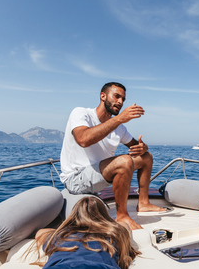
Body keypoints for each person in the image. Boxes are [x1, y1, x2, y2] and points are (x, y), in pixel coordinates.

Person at [60, 82, 167, 230]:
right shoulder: (81, 113)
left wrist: (143, 147)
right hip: (76, 178)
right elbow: (83, 139)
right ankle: (122, 216)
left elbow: (137, 147)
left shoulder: (119, 128)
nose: (120, 102)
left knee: (146, 157)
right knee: (124, 161)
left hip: (98, 175)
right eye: (116, 96)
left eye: (123, 99)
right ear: (103, 96)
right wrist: (118, 119)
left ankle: (143, 203)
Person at [1, 196, 140, 269]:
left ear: (73, 216)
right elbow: (124, 225)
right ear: (104, 215)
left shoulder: (60, 236)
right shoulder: (114, 232)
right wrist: (108, 223)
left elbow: (40, 233)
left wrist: (63, 228)